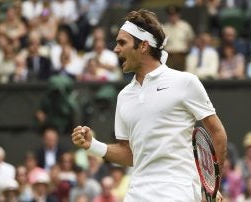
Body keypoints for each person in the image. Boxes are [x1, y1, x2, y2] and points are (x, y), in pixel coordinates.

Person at [71, 9, 228, 201]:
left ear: (143, 46)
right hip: (136, 193)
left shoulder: (185, 82)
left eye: (122, 43)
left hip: (177, 192)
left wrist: (212, 185)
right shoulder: (124, 96)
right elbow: (130, 154)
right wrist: (92, 145)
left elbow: (217, 133)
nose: (116, 49)